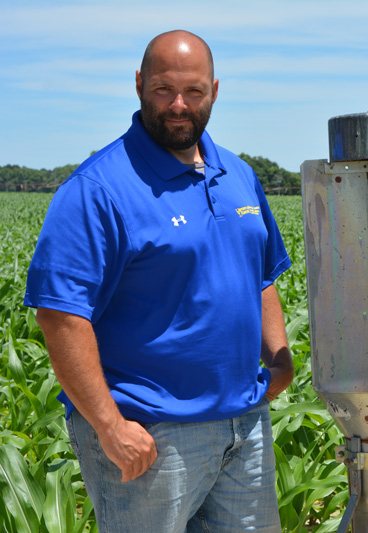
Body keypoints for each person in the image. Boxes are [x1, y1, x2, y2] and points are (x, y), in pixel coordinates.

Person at [25, 30, 292, 532]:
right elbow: (60, 314)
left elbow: (263, 275)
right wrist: (110, 426)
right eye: (162, 89)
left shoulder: (237, 174)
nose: (178, 105)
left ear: (214, 90)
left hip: (245, 427)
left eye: (193, 92)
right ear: (138, 85)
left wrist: (279, 360)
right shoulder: (98, 188)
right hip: (151, 436)